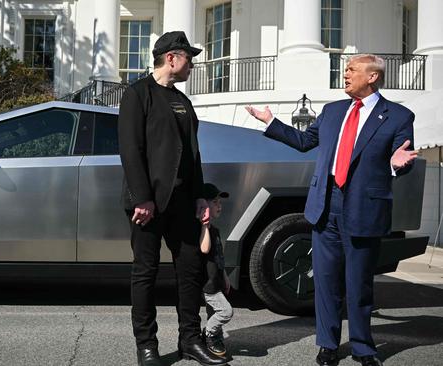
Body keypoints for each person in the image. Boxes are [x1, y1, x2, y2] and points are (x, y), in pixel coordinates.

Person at [246, 54, 418, 366]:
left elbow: (401, 157)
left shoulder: (398, 116)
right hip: (325, 207)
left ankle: (364, 347)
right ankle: (327, 345)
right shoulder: (332, 111)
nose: (346, 73)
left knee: (359, 285)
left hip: (364, 210)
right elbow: (303, 141)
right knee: (325, 283)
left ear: (373, 77)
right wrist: (270, 122)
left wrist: (396, 165)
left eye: (352, 69)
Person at [118, 31, 228, 366]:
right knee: (145, 273)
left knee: (190, 270)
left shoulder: (183, 101)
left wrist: (199, 197)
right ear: (172, 58)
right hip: (147, 205)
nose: (192, 64)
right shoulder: (138, 95)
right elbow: (130, 150)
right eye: (188, 58)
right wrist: (143, 198)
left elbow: (193, 155)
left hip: (182, 202)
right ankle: (146, 347)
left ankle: (190, 340)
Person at [198, 183, 234, 358]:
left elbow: (219, 257)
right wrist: (204, 225)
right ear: (203, 204)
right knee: (226, 312)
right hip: (209, 284)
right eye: (215, 202)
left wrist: (225, 277)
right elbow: (204, 250)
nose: (219, 205)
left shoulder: (217, 230)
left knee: (214, 312)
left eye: (220, 202)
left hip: (217, 280)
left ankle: (215, 336)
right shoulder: (202, 230)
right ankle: (209, 333)